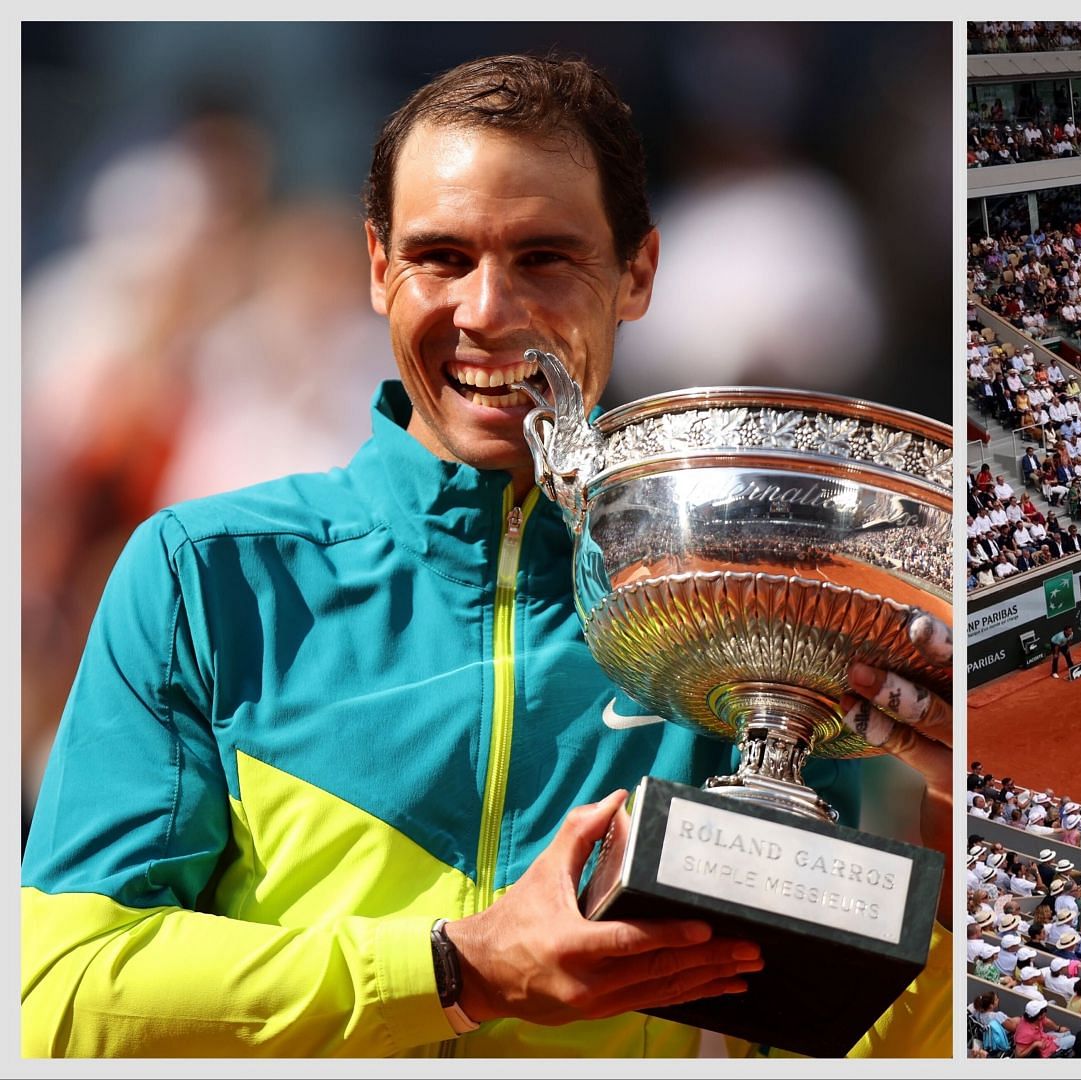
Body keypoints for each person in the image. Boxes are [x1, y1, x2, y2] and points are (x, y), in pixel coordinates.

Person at [20, 54, 951, 1058]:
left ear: (638, 273)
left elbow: (845, 1044)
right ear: (378, 267)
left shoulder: (750, 617)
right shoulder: (204, 576)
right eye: (442, 258)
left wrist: (949, 828)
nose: (487, 312)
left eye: (546, 258)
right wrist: (462, 969)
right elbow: (59, 1000)